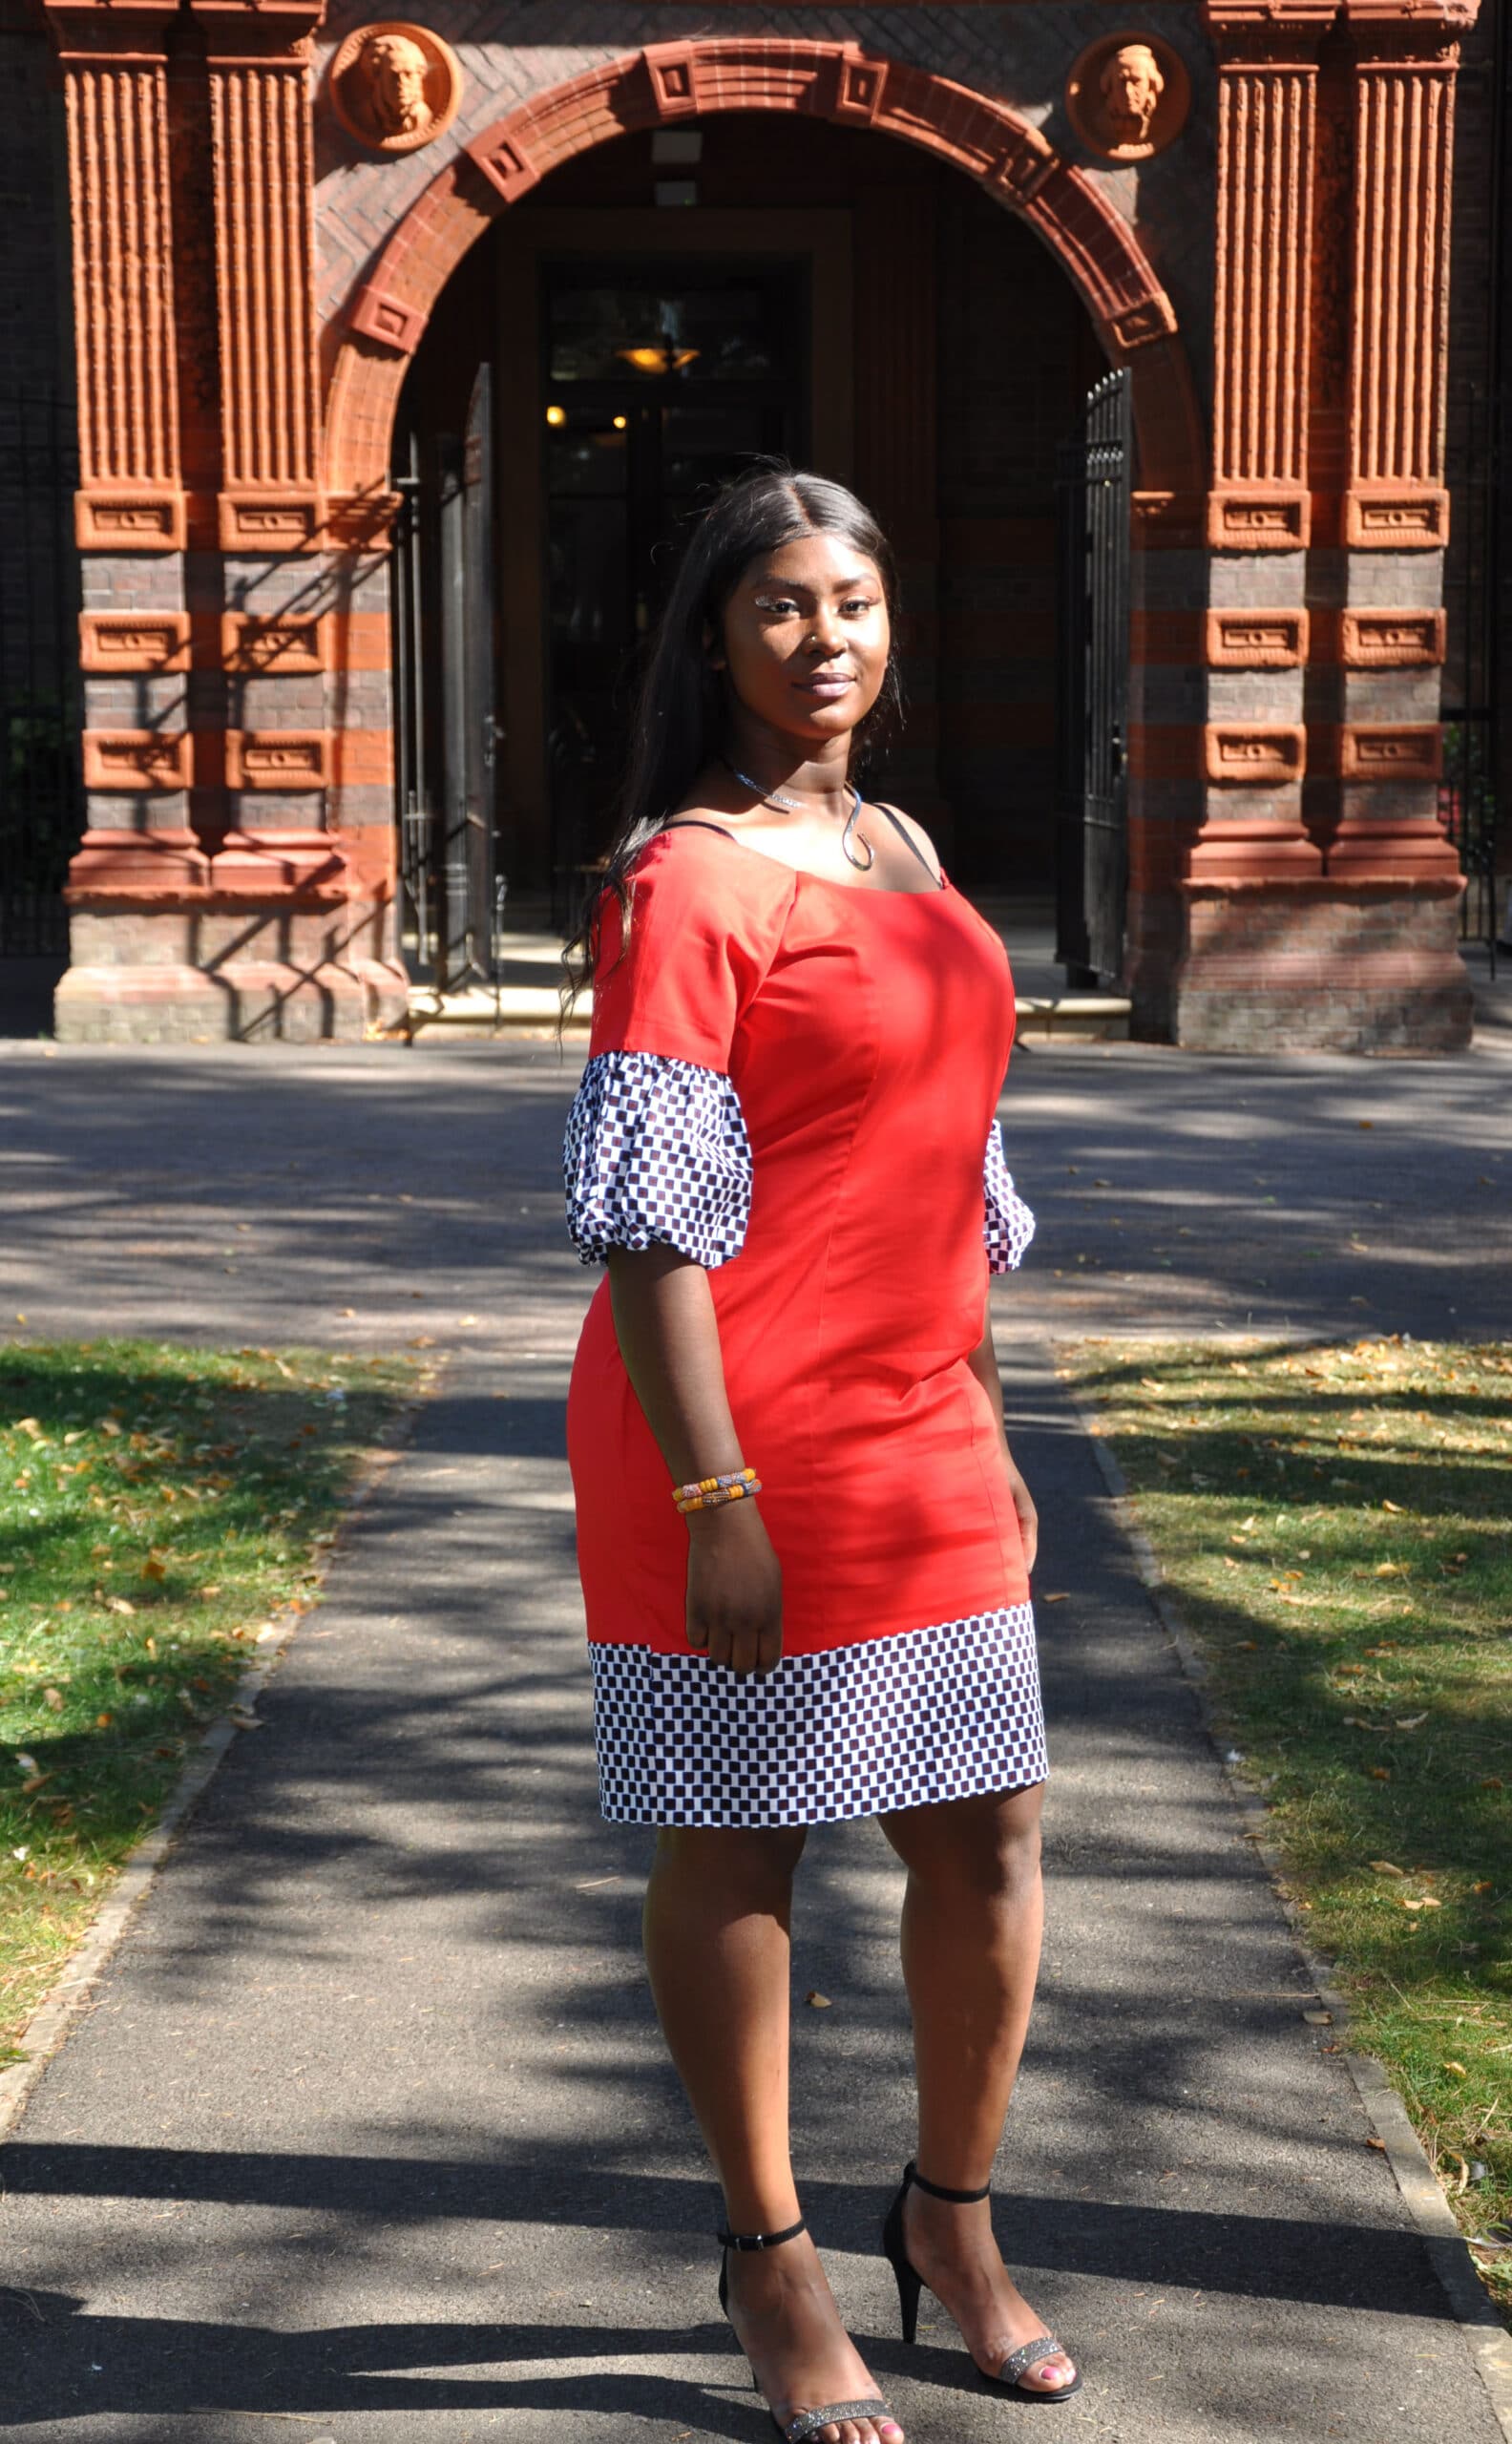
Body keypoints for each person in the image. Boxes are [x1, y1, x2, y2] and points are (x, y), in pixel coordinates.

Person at [561, 465, 1079, 2444]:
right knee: (745, 1840)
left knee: (993, 1832)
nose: (828, 636)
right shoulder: (681, 879)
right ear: (718, 635)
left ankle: (949, 2220)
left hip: (925, 1418)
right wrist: (717, 1502)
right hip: (737, 1434)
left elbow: (948, 1164)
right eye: (783, 604)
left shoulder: (904, 843)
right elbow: (647, 1221)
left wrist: (998, 1418)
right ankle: (771, 2254)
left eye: (855, 599)